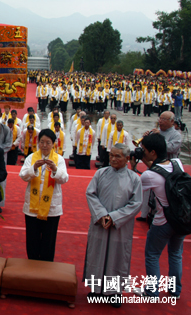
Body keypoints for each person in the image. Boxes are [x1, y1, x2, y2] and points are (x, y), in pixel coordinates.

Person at [83, 144, 142, 306]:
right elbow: (91, 194)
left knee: (117, 257)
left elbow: (136, 203)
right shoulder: (101, 173)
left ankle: (114, 292)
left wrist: (114, 217)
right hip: (100, 223)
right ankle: (96, 289)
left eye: (118, 156)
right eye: (111, 156)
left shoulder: (134, 178)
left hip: (120, 227)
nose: (113, 159)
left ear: (127, 159)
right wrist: (102, 215)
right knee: (97, 253)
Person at [131, 133, 186, 300]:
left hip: (163, 222)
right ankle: (175, 290)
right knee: (176, 254)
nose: (143, 152)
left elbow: (135, 189)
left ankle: (152, 291)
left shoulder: (149, 176)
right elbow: (160, 168)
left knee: (153, 255)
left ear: (153, 153)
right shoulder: (177, 163)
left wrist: (134, 167)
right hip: (181, 219)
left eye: (145, 150)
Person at [19, 129, 69, 261]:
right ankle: (33, 264)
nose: (45, 145)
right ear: (38, 142)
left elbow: (64, 179)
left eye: (48, 142)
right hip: (32, 207)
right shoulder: (31, 157)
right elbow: (23, 176)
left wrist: (55, 170)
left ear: (53, 144)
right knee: (32, 238)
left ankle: (46, 267)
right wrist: (34, 168)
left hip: (52, 207)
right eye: (42, 142)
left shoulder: (59, 159)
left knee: (49, 239)